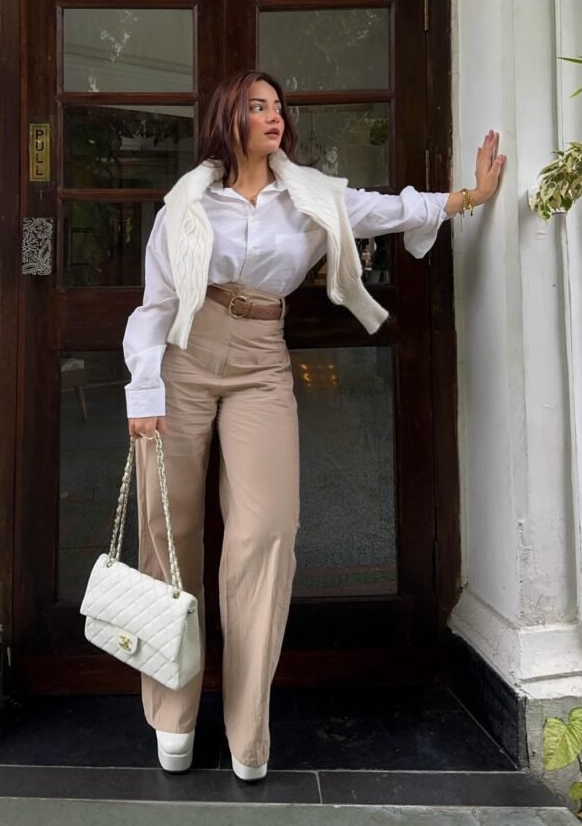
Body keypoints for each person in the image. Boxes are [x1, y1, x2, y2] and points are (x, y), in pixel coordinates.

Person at [122, 69, 505, 781]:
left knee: (264, 535)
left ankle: (247, 729)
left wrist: (467, 198)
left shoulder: (309, 197)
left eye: (277, 106)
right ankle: (170, 714)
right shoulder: (186, 201)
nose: (274, 116)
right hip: (181, 358)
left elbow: (386, 209)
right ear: (228, 119)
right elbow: (153, 303)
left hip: (262, 360)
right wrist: (142, 390)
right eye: (258, 106)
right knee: (166, 534)